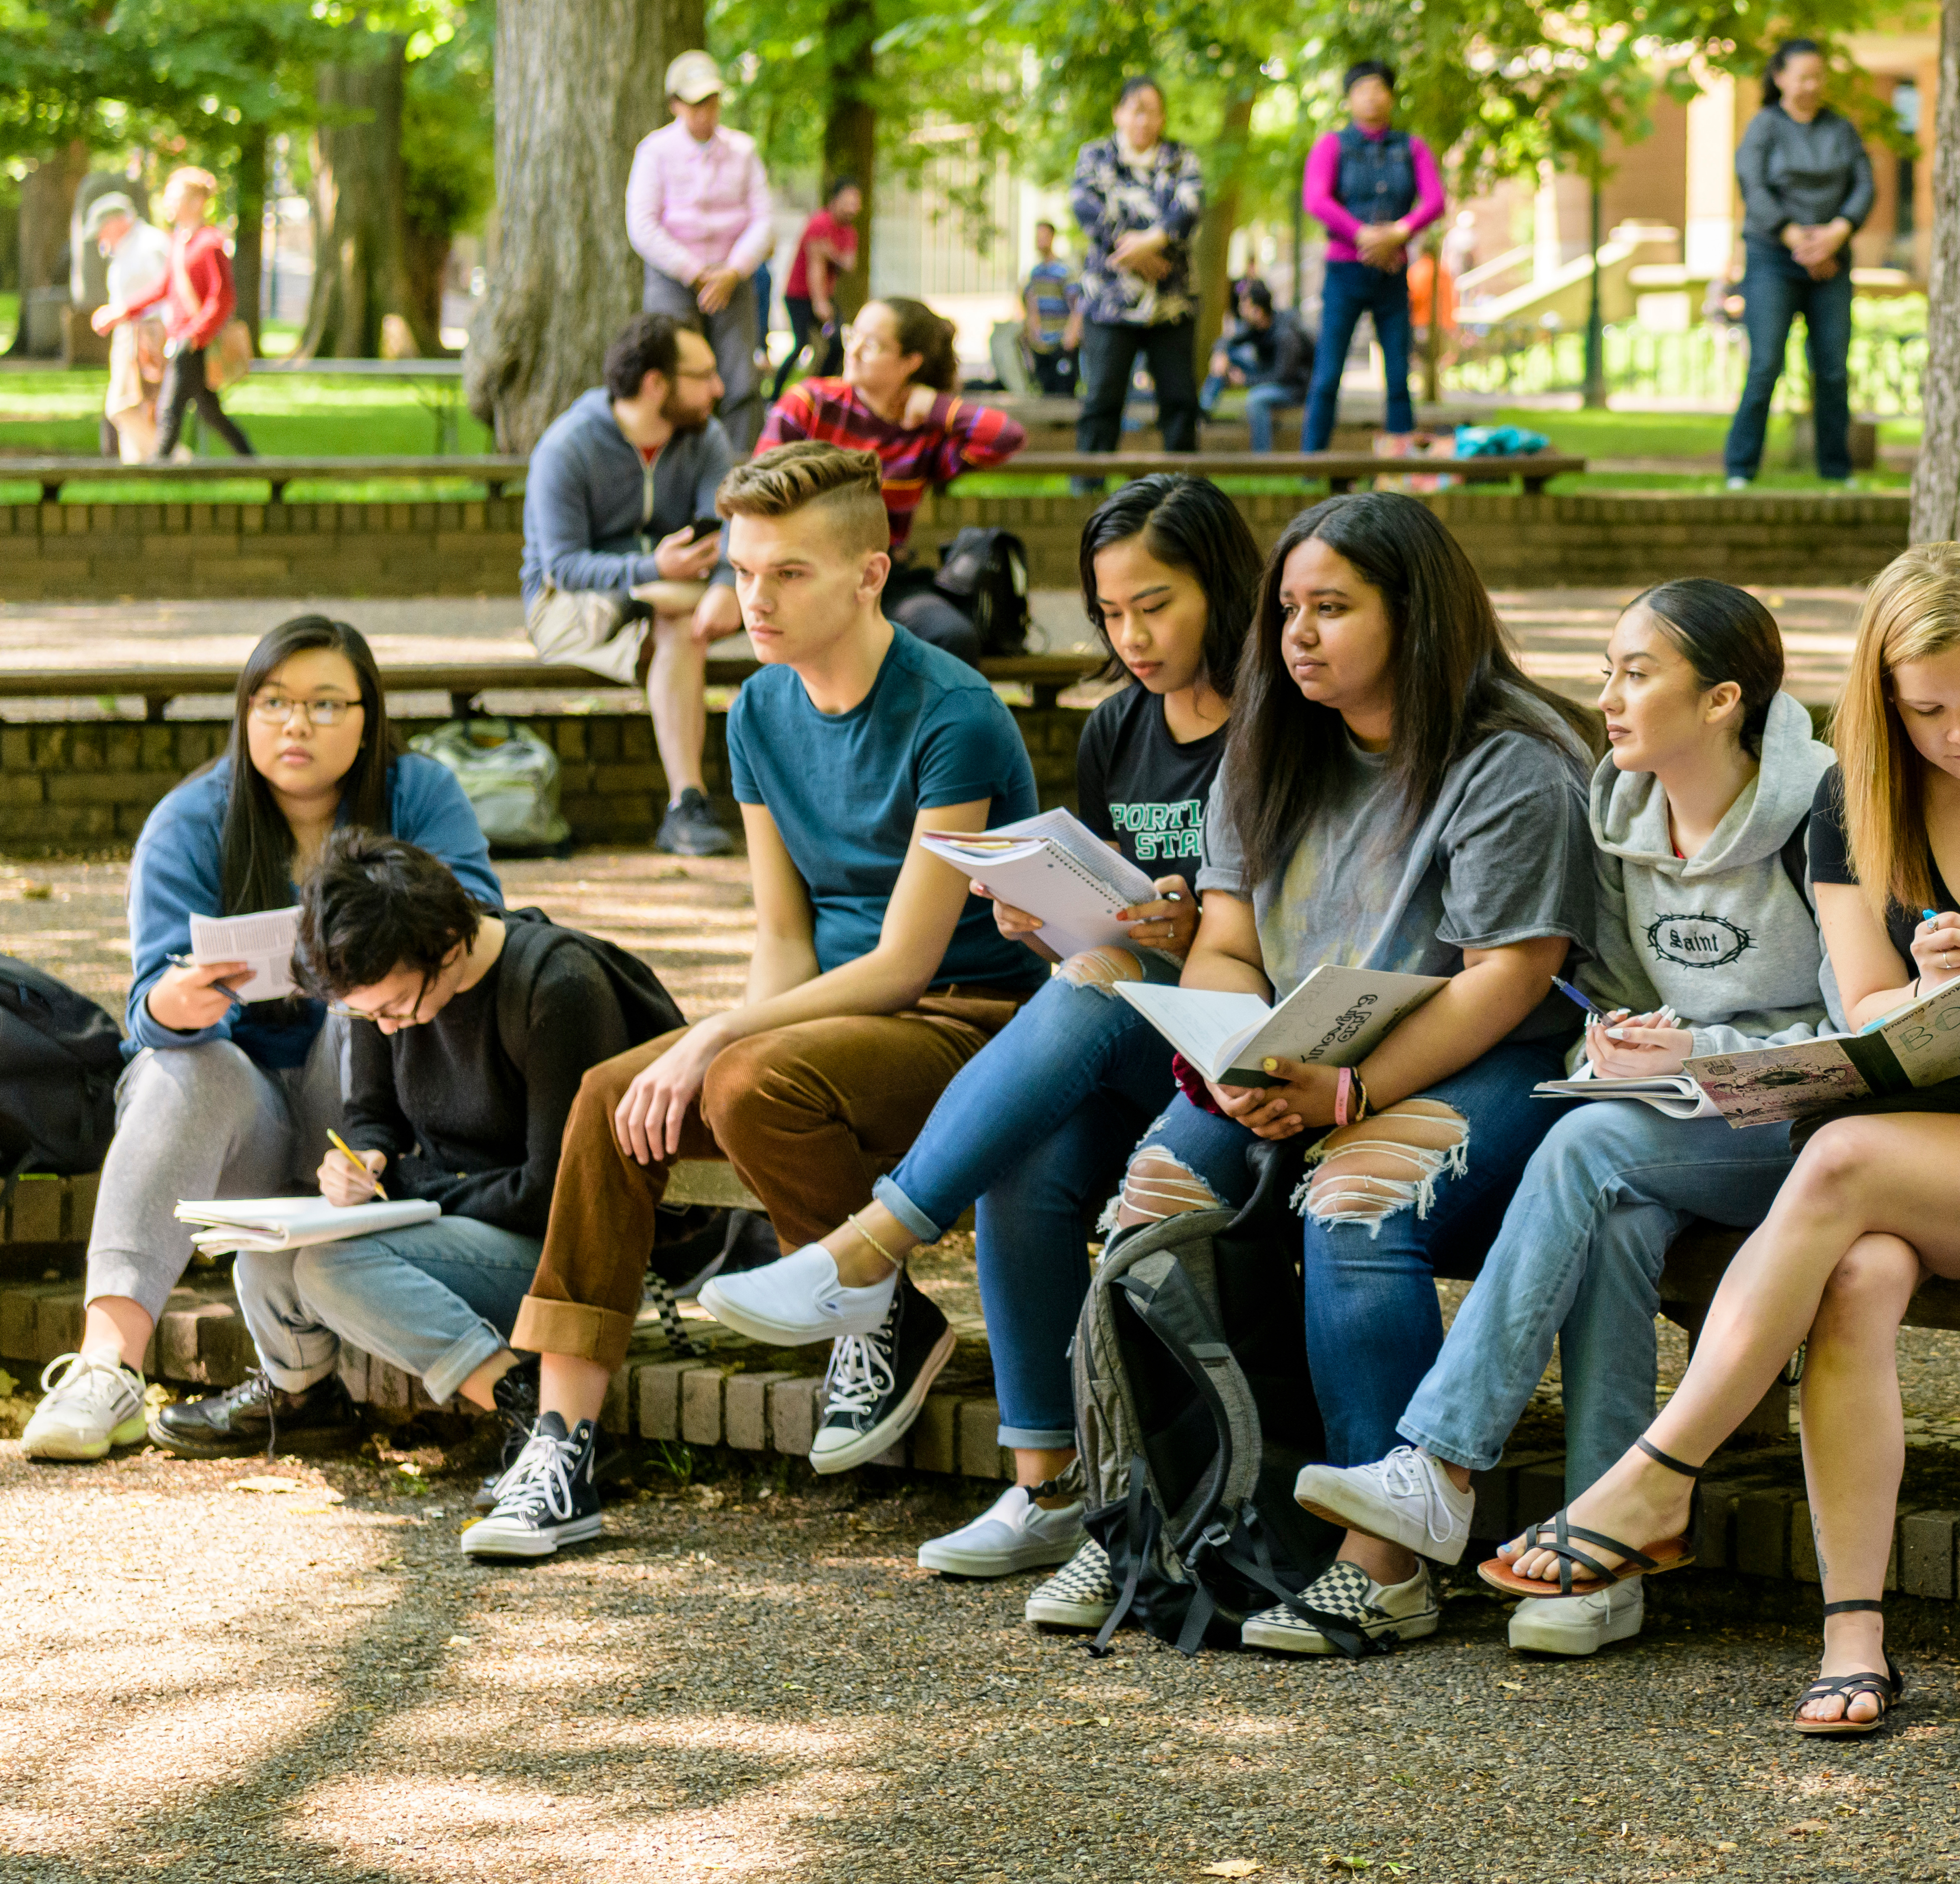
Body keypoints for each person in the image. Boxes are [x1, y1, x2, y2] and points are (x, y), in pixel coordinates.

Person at [1480, 543, 1960, 1737]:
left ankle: (1658, 1472)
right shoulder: (1851, 796)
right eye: (1928, 710)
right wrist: (1924, 982)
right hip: (1904, 1115)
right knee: (1855, 1275)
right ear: (1882, 696)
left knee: (1838, 1163)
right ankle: (1853, 1640)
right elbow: (1859, 1006)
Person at [469, 445, 1045, 1561]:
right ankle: (561, 1442)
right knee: (610, 1093)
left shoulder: (953, 715)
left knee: (738, 1073)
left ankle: (872, 1305)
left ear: (870, 575)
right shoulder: (757, 712)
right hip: (833, 1020)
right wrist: (695, 1044)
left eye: (788, 574)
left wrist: (720, 1039)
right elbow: (783, 938)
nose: (754, 600)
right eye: (742, 572)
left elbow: (904, 963)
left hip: (971, 1021)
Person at [700, 475, 1257, 1582]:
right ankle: (1045, 1487)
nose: (1132, 637)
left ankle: (870, 1248)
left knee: (1099, 976)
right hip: (1139, 1029)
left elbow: (1280, 927)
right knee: (1031, 1153)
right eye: (1110, 614)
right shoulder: (1117, 728)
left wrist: (1185, 931)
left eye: (1157, 606)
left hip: (1241, 1038)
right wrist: (1038, 917)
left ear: (1223, 591)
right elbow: (1103, 923)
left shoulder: (1274, 732)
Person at [1079, 490, 1605, 1657]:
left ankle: (1389, 1562)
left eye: (1332, 608)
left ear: (1414, 617)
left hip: (1497, 1066)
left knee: (1359, 1193)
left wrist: (1349, 1097)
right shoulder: (1270, 742)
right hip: (1296, 1056)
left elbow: (1509, 980)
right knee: (1154, 1194)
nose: (1297, 636)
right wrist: (1233, 1062)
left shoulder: (1511, 761)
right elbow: (1225, 940)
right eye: (1287, 610)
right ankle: (1168, 1515)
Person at [1284, 579, 1841, 1660]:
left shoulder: (1820, 815)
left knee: (1582, 1148)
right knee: (1613, 1213)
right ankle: (1602, 1554)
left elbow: (1857, 1028)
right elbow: (1621, 999)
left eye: (1638, 674)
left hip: (1806, 1124)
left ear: (1722, 700)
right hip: (1676, 1121)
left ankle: (1439, 1466)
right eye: (1607, 672)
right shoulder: (1620, 809)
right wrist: (1618, 1048)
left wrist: (1701, 1056)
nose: (1609, 698)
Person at [20, 618, 503, 1461]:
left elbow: (481, 926)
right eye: (273, 701)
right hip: (241, 1119)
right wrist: (177, 1001)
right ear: (245, 714)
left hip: (374, 1113)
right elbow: (146, 1009)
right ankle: (106, 1369)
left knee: (355, 1012)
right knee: (177, 1068)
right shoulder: (191, 820)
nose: (295, 724)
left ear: (369, 715)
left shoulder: (420, 793)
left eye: (324, 703)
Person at [150, 831, 685, 1460]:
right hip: (464, 1218)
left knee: (333, 1268)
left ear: (452, 945)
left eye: (398, 1008)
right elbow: (372, 1113)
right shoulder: (384, 982)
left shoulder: (557, 988)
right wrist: (366, 1157)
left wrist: (400, 1187)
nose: (386, 1026)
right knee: (265, 1255)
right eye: (365, 1015)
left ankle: (542, 1417)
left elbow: (552, 1193)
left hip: (569, 1250)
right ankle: (303, 1398)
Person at [524, 313, 747, 859]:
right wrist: (654, 571)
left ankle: (685, 805)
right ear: (655, 385)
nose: (720, 389)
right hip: (568, 605)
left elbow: (727, 532)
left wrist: (723, 584)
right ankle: (688, 807)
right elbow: (564, 568)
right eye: (704, 375)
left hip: (676, 603)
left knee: (682, 625)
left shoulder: (704, 438)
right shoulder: (567, 448)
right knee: (682, 615)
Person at [759, 297, 1031, 659]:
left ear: (910, 362)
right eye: (852, 334)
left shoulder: (923, 433)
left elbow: (1006, 436)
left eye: (871, 344)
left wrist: (936, 408)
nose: (853, 350)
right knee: (840, 646)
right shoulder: (810, 404)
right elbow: (758, 494)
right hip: (806, 577)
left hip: (884, 580)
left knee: (952, 637)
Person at [1721, 39, 1879, 490]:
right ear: (1781, 78)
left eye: (1818, 76)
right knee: (1765, 362)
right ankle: (1740, 467)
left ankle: (1836, 468)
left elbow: (1863, 186)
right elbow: (1753, 186)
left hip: (1832, 255)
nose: (1812, 85)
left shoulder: (1841, 130)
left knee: (1831, 366)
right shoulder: (1764, 127)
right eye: (1803, 76)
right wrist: (1795, 237)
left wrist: (1836, 234)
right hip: (1773, 255)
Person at [625, 48, 775, 448]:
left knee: (740, 374)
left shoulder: (743, 151)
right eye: (694, 104)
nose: (704, 113)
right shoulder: (654, 151)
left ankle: (744, 467)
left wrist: (734, 270)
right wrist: (693, 269)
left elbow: (763, 219)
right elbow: (642, 224)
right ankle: (674, 461)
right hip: (673, 276)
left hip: (733, 276)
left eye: (710, 102)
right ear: (676, 104)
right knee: (673, 370)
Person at [1302, 60, 1449, 450]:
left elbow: (1435, 201)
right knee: (1329, 372)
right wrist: (1364, 236)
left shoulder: (1411, 148)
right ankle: (1311, 464)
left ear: (1391, 96)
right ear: (1349, 98)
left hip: (1392, 273)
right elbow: (1315, 199)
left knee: (1399, 374)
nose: (1372, 95)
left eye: (1379, 87)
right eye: (1362, 88)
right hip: (1343, 273)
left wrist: (1400, 232)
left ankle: (1400, 466)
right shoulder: (1331, 146)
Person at [1071, 75, 1204, 456]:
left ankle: (1183, 496)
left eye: (1154, 113)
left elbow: (1190, 207)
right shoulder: (1094, 156)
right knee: (1101, 399)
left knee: (1180, 401)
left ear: (1163, 119)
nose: (1145, 121)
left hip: (1172, 302)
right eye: (1137, 111)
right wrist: (1132, 249)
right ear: (1119, 114)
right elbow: (1085, 205)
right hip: (1110, 300)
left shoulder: (1182, 158)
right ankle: (1087, 492)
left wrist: (1150, 242)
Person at [151, 166, 254, 459]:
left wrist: (197, 336)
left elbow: (223, 297)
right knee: (209, 411)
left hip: (193, 341)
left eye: (175, 197)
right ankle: (252, 463)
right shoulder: (179, 242)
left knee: (170, 408)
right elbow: (163, 287)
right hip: (184, 338)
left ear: (197, 202)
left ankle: (153, 472)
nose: (168, 204)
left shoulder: (209, 243)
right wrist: (123, 309)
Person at [83, 189, 171, 463]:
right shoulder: (125, 247)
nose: (100, 238)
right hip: (128, 334)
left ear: (116, 222)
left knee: (123, 407)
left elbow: (166, 293)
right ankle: (137, 470)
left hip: (148, 333)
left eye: (101, 230)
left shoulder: (150, 244)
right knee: (132, 406)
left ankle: (170, 458)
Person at [771, 176, 864, 401]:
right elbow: (816, 267)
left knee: (836, 345)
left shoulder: (849, 232)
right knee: (801, 345)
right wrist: (820, 302)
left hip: (824, 295)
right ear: (835, 199)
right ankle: (775, 396)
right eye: (849, 200)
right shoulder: (820, 223)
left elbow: (850, 264)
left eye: (857, 202)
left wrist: (830, 252)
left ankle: (821, 394)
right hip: (800, 296)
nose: (854, 207)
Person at [1217, 277, 1318, 455]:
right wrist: (1220, 352)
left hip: (1294, 388)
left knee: (1256, 399)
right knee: (1228, 357)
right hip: (1270, 376)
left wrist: (1246, 380)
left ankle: (1263, 460)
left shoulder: (1285, 334)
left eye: (1245, 306)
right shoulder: (1256, 327)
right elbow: (1227, 341)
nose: (1241, 311)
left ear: (1258, 311)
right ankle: (1205, 408)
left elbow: (1282, 377)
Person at [1020, 221, 1083, 398]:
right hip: (1042, 344)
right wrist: (1033, 332)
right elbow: (1032, 306)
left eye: (1044, 237)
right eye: (1037, 237)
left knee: (1064, 393)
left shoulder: (1065, 271)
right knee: (1045, 392)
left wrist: (1071, 334)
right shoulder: (1035, 273)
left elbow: (1077, 305)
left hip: (1061, 343)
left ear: (1052, 238)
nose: (1040, 241)